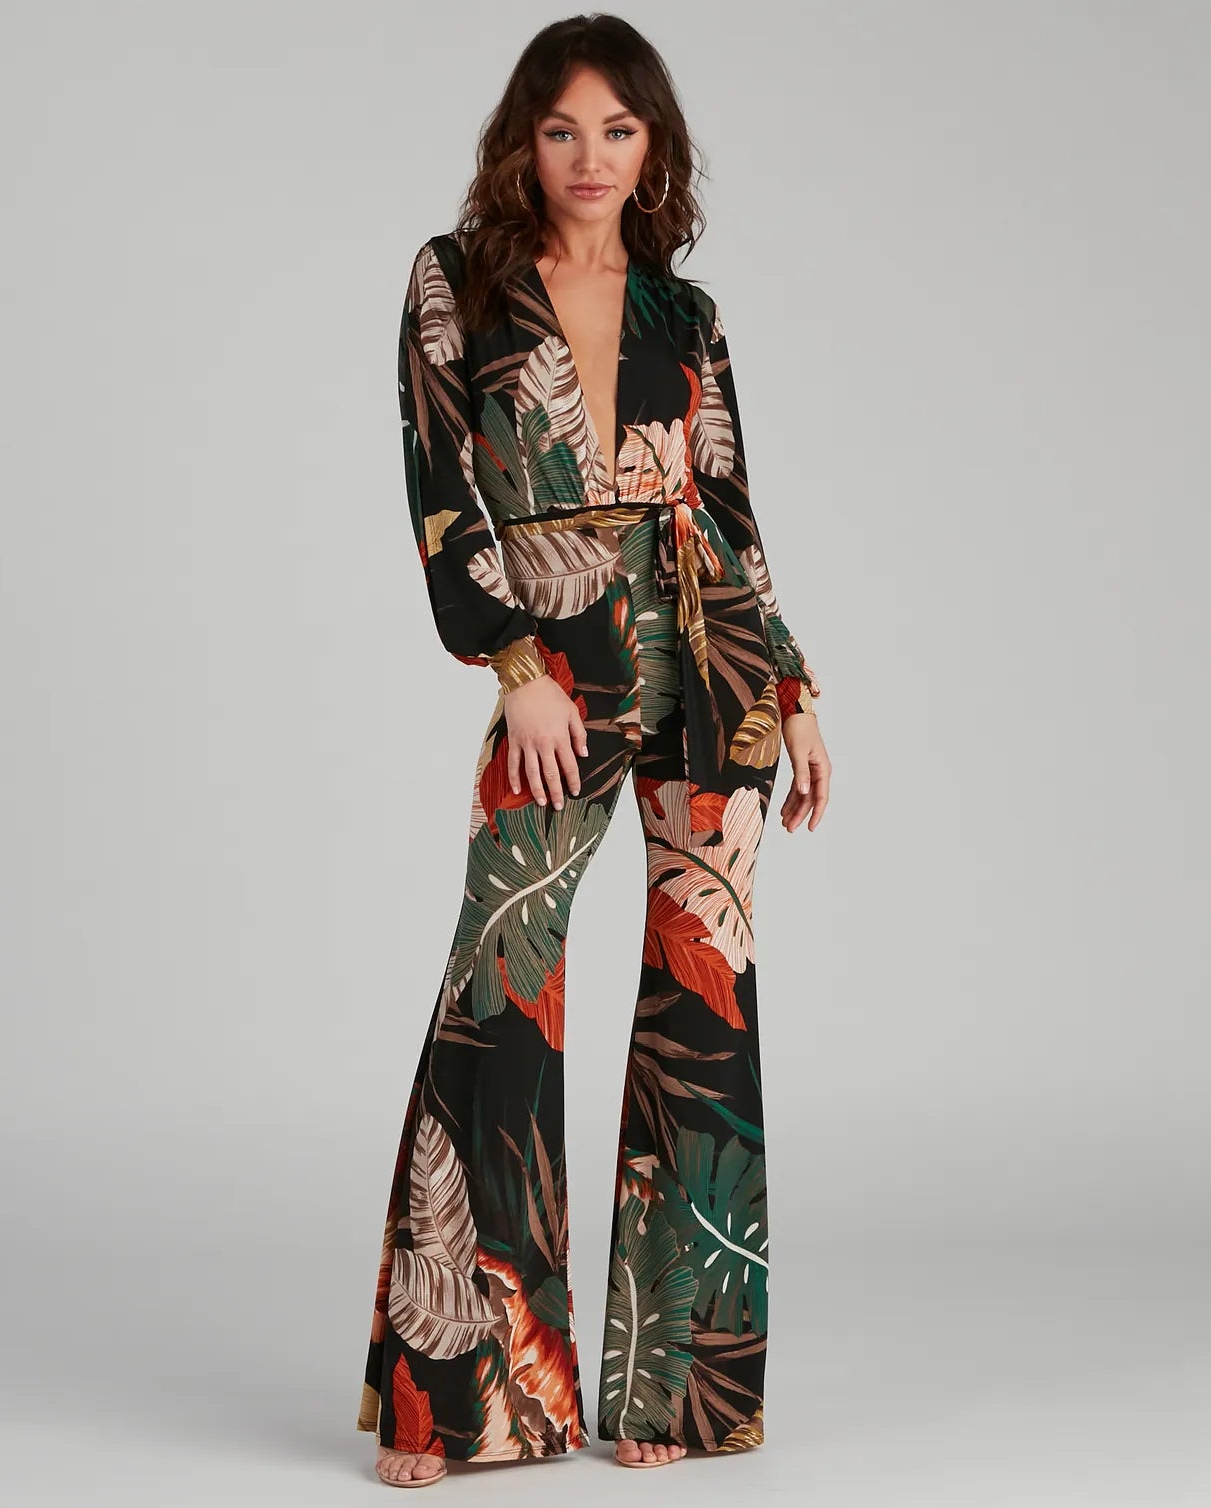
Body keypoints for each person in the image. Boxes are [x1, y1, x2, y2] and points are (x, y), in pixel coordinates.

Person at [357, 14, 832, 1488]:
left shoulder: (689, 314)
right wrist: (516, 667)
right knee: (501, 989)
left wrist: (793, 688)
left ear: (652, 147)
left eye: (617, 131)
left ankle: (673, 1396)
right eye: (562, 129)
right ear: (523, 140)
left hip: (710, 665)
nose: (589, 157)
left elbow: (729, 510)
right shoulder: (454, 283)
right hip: (557, 665)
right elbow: (444, 491)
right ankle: (461, 1401)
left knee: (707, 1015)